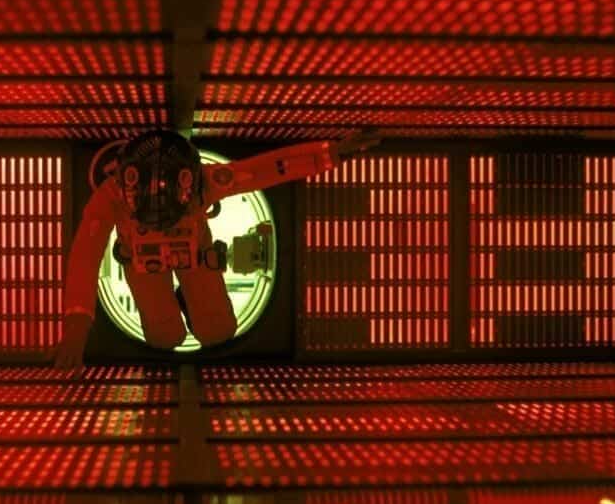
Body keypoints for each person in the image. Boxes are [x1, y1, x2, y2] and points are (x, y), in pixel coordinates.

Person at [53, 129, 380, 371]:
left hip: (194, 256)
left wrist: (330, 154)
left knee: (218, 331)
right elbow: (86, 255)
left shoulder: (204, 182)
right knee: (164, 338)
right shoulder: (110, 196)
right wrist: (77, 323)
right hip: (144, 264)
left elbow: (265, 170)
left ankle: (188, 299)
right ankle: (176, 307)